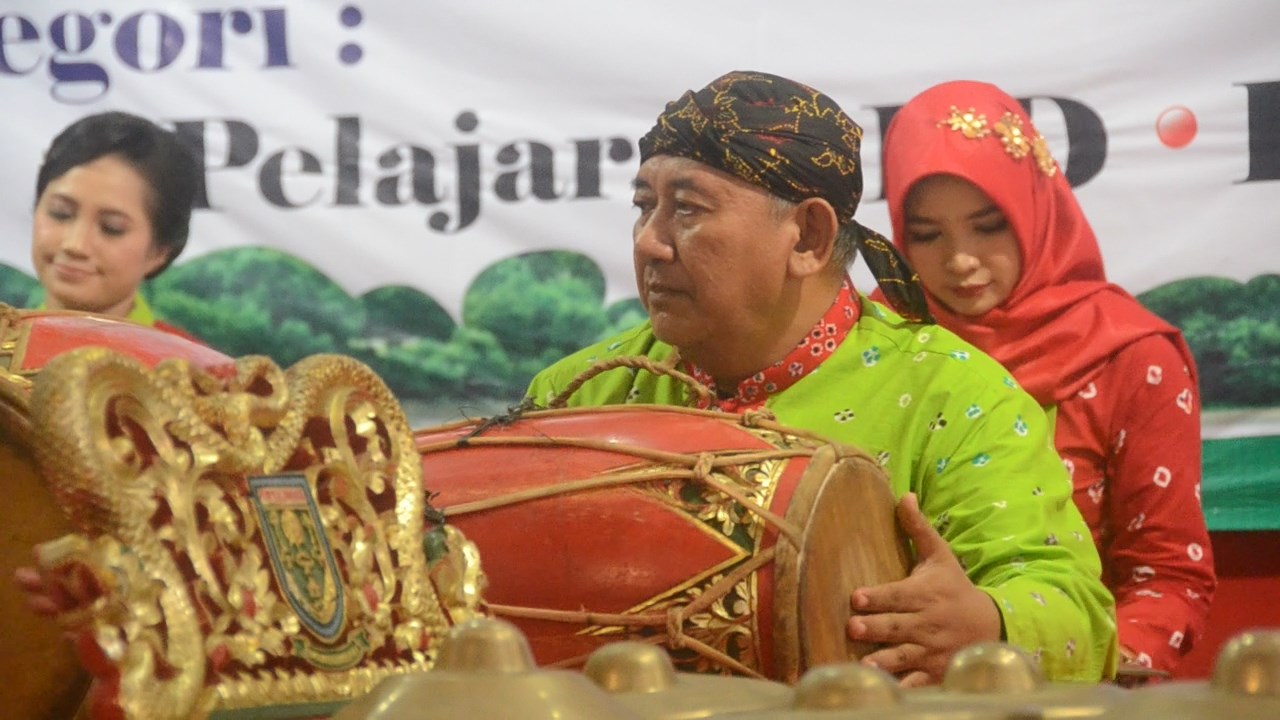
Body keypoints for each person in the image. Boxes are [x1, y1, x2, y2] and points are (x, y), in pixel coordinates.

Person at [525, 70, 1118, 685]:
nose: (650, 244)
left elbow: (1078, 613)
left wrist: (989, 625)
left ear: (808, 237)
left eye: (687, 210)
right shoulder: (577, 395)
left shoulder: (956, 396)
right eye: (645, 206)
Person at [879, 80, 1215, 675]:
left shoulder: (1131, 359)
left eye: (989, 225)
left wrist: (1063, 670)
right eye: (927, 235)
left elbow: (1168, 578)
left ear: (1035, 207)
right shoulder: (881, 340)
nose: (959, 259)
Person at [29, 110, 201, 340]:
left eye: (111, 228)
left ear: (159, 251)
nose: (75, 245)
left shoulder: (193, 370)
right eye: (60, 213)